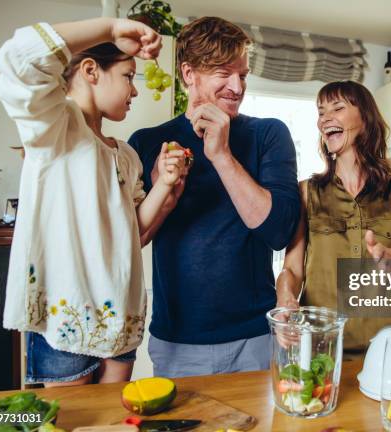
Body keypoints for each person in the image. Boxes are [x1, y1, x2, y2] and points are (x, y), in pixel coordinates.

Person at [0, 17, 189, 386]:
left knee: (114, 423)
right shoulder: (55, 127)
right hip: (64, 323)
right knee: (67, 426)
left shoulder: (126, 155)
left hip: (121, 321)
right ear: (90, 71)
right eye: (129, 76)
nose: (135, 92)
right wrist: (112, 29)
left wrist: (165, 184)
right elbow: (18, 57)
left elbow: (136, 233)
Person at [128, 17, 300, 378]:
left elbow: (278, 232)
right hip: (177, 343)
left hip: (255, 339)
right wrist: (162, 191)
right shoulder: (146, 143)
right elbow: (131, 240)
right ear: (189, 73)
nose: (237, 87)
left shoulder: (268, 134)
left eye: (244, 75)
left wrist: (221, 155)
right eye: (225, 73)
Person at [276, 80, 391, 351]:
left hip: (387, 344)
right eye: (321, 112)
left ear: (365, 119)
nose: (325, 119)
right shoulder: (306, 192)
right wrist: (284, 295)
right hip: (320, 345)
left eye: (337, 108)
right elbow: (292, 269)